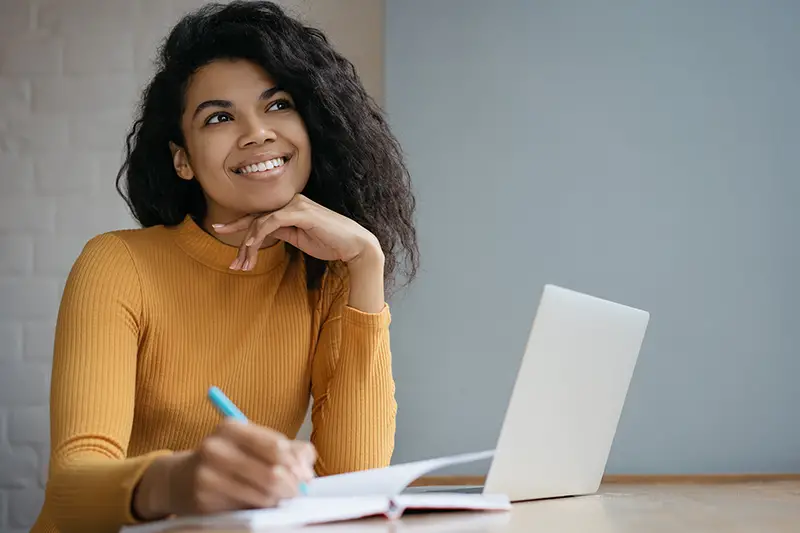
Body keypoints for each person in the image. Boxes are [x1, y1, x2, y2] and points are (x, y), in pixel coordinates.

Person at [31, 2, 419, 532]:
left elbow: (352, 483)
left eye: (278, 105)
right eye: (218, 117)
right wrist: (178, 482)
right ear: (183, 159)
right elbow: (70, 492)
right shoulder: (117, 264)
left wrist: (365, 264)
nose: (257, 133)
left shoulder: (329, 278)